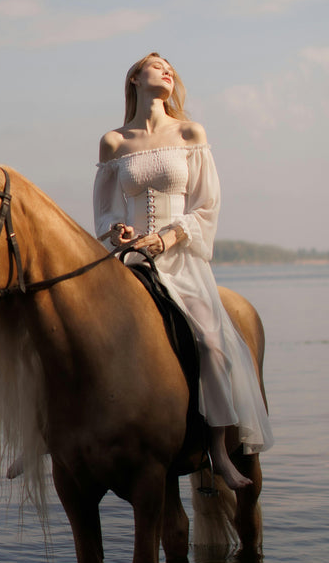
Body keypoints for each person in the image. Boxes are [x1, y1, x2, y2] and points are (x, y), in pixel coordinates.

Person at [93, 52, 273, 490]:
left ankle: (216, 451)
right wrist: (117, 231)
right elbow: (103, 214)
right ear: (135, 77)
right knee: (78, 332)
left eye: (170, 67)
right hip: (133, 262)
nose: (167, 70)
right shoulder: (113, 142)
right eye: (157, 65)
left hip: (182, 260)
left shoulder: (191, 133)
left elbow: (206, 206)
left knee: (212, 343)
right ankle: (53, 435)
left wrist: (168, 238)